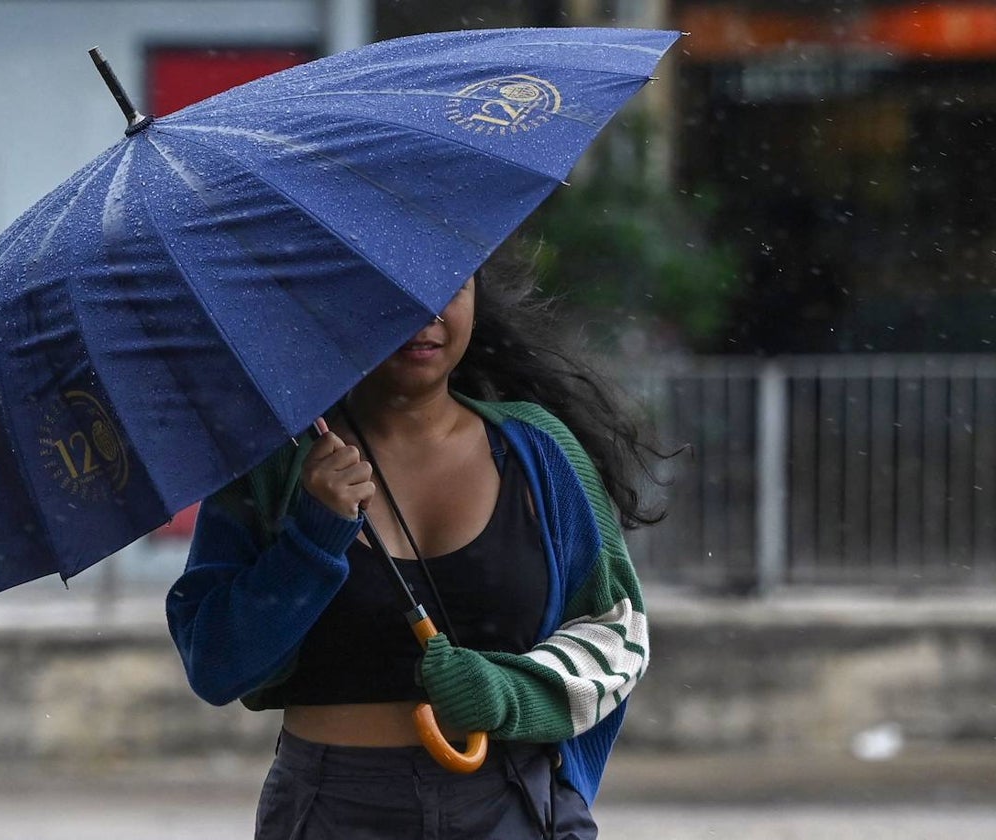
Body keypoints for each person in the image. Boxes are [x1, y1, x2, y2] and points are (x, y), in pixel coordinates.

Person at [166, 239, 665, 839]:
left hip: (510, 802)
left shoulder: (539, 452)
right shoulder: (276, 465)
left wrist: (508, 692)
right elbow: (216, 663)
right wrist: (313, 536)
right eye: (393, 287)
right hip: (331, 809)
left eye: (451, 284)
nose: (427, 313)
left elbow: (618, 635)